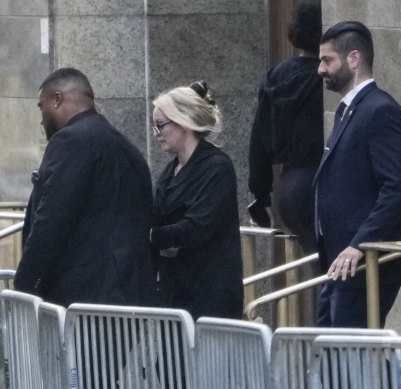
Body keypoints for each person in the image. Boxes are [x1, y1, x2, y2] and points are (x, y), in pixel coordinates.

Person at [14, 68, 157, 307]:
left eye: (42, 106)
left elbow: (51, 220)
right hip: (128, 297)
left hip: (84, 300)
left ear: (57, 99)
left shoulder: (71, 141)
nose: (41, 118)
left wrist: (25, 288)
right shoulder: (125, 147)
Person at [314, 21, 401, 328]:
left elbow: (396, 190)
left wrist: (359, 244)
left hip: (366, 263)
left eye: (327, 60)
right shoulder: (349, 110)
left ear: (354, 59)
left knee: (351, 357)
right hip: (342, 262)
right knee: (333, 352)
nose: (320, 69)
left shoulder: (381, 110)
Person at [150, 81, 243, 321]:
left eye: (160, 124)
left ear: (183, 121)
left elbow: (197, 227)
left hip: (209, 296)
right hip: (175, 293)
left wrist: (150, 236)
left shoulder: (217, 167)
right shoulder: (171, 170)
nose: (156, 133)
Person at [248, 0, 323, 253]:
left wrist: (260, 194)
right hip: (319, 182)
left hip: (288, 185)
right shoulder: (326, 81)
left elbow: (258, 141)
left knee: (317, 267)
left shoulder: (275, 76)